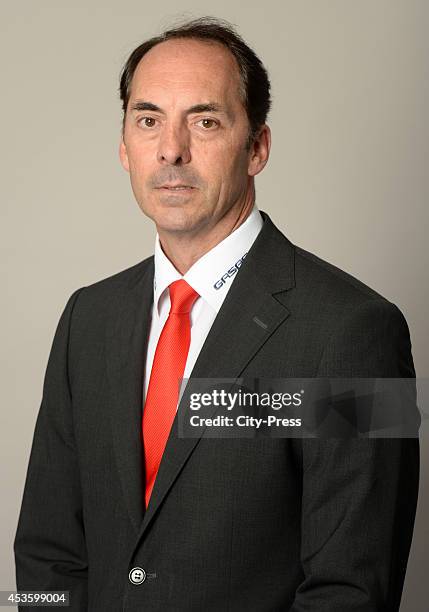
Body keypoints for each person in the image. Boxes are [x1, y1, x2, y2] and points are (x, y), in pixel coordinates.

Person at [14, 16, 419, 612]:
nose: (171, 150)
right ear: (124, 146)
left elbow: (353, 590)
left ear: (257, 147)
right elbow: (46, 555)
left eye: (205, 121)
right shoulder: (87, 319)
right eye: (148, 120)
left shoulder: (360, 331)